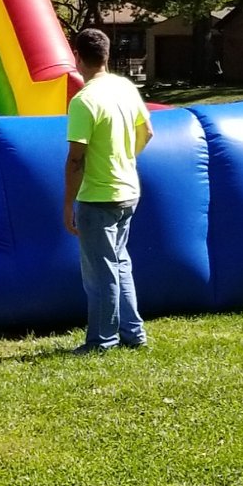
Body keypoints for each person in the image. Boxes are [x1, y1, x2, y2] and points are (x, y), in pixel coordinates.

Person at [63, 27, 153, 352]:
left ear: (77, 57)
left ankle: (103, 340)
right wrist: (126, 158)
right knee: (119, 263)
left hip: (99, 196)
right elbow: (148, 131)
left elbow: (76, 159)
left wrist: (68, 203)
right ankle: (133, 332)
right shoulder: (125, 87)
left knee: (101, 273)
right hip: (128, 190)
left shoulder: (83, 101)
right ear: (107, 54)